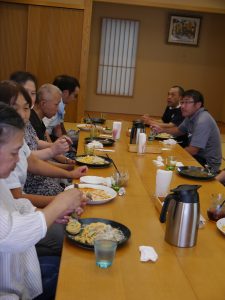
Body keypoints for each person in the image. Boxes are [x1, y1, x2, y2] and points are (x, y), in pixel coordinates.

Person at [0, 103, 86, 299]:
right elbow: (11, 232)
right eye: (14, 153)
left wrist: (52, 214)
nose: (18, 160)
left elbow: (17, 207)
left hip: (20, 270)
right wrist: (59, 204)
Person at [10, 71, 74, 167]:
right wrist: (67, 167)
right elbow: (29, 158)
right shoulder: (9, 124)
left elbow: (36, 142)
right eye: (25, 92)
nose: (29, 97)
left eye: (33, 93)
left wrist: (63, 156)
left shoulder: (28, 120)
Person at [152, 89, 222, 172]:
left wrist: (172, 155)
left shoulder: (203, 120)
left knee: (168, 167)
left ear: (198, 105)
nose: (182, 106)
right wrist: (162, 130)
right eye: (182, 102)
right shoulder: (190, 116)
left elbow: (193, 150)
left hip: (207, 164)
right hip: (197, 157)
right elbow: (178, 131)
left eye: (187, 102)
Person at [43, 75, 80, 140]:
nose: (75, 99)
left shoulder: (61, 105)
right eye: (75, 95)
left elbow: (58, 127)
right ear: (65, 93)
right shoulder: (50, 105)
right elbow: (42, 130)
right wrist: (52, 148)